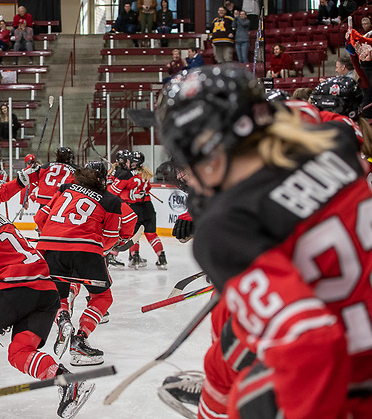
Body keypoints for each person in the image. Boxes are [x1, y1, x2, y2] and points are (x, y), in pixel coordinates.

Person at [158, 64, 372, 419]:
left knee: (246, 381)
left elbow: (310, 343)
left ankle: (215, 406)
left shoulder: (228, 226)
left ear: (206, 148)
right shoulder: (336, 144)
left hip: (355, 385)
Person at [0, 191, 96, 418]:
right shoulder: (1, 221)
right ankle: (69, 382)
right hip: (46, 293)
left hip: (15, 291)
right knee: (20, 352)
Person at [35, 162, 136, 366]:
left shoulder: (65, 189)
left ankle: (63, 319)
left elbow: (40, 217)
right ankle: (79, 340)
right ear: (103, 179)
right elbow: (107, 239)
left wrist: (55, 233)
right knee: (102, 297)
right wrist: (109, 245)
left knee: (59, 295)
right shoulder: (111, 201)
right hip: (85, 250)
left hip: (51, 248)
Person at [109, 151, 167, 269]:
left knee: (133, 235)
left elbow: (113, 192)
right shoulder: (145, 172)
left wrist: (113, 179)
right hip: (148, 207)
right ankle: (162, 258)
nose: (127, 163)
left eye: (129, 161)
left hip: (133, 208)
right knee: (152, 234)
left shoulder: (126, 175)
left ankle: (134, 257)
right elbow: (148, 188)